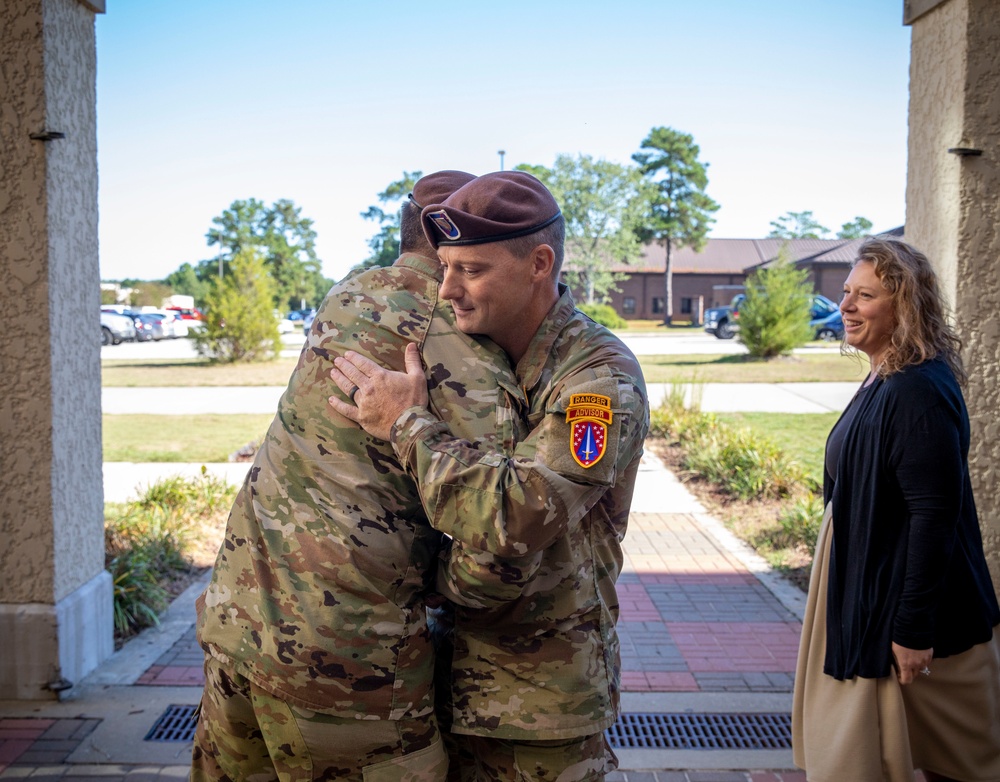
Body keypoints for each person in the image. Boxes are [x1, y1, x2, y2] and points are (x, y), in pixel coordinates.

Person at [191, 170, 559, 781]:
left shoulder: (348, 296)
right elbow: (497, 549)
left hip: (237, 624)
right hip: (346, 668)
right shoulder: (464, 347)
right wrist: (450, 593)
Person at [329, 171, 650, 781]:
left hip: (539, 706)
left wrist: (406, 425)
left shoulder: (598, 382)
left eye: (470, 270)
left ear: (539, 263)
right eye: (445, 266)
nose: (446, 289)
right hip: (449, 681)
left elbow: (513, 514)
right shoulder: (483, 358)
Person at [792, 236, 1000, 782]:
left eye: (865, 296)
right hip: (865, 589)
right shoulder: (883, 376)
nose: (846, 306)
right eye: (845, 293)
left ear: (903, 306)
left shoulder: (917, 390)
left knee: (956, 761)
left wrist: (911, 629)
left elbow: (935, 517)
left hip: (904, 609)